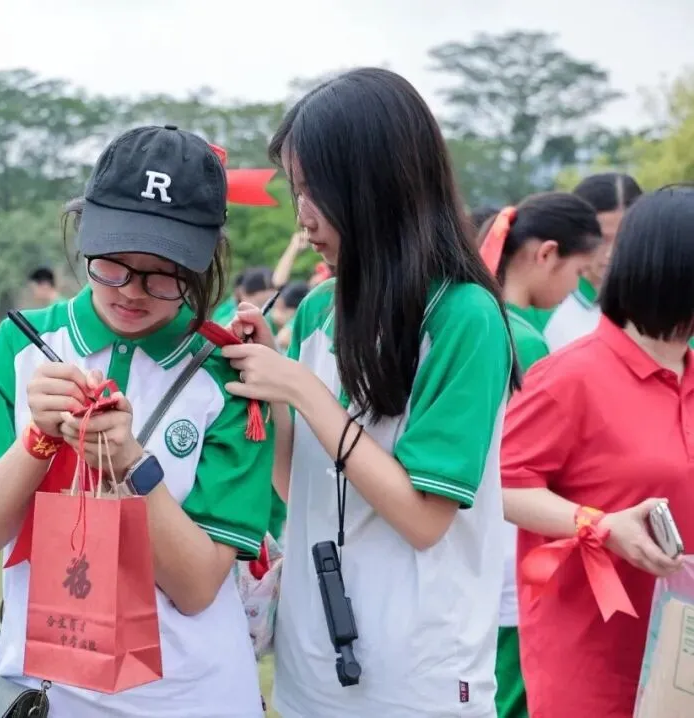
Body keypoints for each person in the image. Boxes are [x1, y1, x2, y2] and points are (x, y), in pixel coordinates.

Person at [0, 125, 274, 718]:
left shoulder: (229, 376)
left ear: (204, 264)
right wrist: (38, 440)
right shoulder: (22, 347)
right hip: (43, 692)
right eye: (114, 265)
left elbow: (199, 586)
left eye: (165, 273)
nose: (133, 291)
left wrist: (133, 467)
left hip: (191, 697)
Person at [222, 68, 514, 717]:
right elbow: (299, 486)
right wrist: (271, 384)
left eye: (313, 190)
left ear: (376, 185)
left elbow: (421, 518)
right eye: (296, 190)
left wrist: (303, 391)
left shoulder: (463, 319)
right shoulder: (320, 310)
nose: (302, 216)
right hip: (312, 666)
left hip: (420, 678)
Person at [501, 185, 694, 718]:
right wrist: (599, 524)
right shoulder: (571, 376)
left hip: (684, 656)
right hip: (595, 656)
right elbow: (502, 485)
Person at [477, 192, 602, 718]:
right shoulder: (524, 341)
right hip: (513, 553)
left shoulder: (472, 318)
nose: (578, 288)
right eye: (580, 271)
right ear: (546, 254)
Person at [543, 172, 643, 350]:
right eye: (601, 240)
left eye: (623, 238)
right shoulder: (543, 306)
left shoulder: (669, 310)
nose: (611, 253)